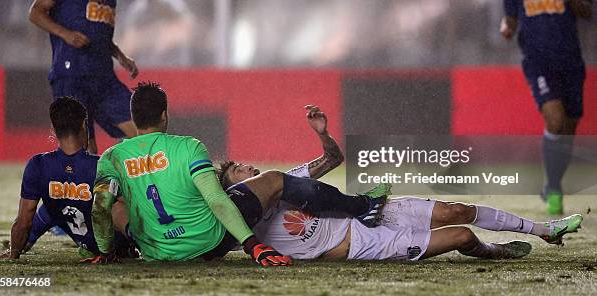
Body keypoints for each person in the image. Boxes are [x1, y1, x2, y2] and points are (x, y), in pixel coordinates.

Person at [219, 105, 584, 261]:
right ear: (229, 190)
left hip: (372, 212)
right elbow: (214, 245)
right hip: (362, 242)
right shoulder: (238, 221)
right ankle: (493, 251)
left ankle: (545, 229)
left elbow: (332, 160)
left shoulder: (280, 181)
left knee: (458, 209)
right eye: (236, 169)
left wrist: (324, 133)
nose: (246, 167)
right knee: (463, 237)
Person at [91, 83, 387, 264]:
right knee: (273, 178)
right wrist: (252, 245)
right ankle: (364, 206)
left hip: (156, 250)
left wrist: (106, 250)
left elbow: (100, 208)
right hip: (208, 241)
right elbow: (218, 200)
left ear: (133, 119)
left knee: (116, 201)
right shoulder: (187, 147)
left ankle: (127, 245)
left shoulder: (112, 158)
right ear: (165, 115)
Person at [500, 0, 593, 214]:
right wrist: (505, 28)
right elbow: (510, 20)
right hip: (538, 62)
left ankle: (553, 183)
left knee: (567, 128)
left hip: (571, 61)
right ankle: (554, 188)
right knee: (554, 121)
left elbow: (588, 12)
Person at [28, 0, 138, 155]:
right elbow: (36, 13)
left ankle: (126, 179)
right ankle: (97, 190)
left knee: (141, 129)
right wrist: (65, 34)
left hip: (103, 75)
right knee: (85, 150)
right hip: (71, 73)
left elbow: (100, 31)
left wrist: (120, 56)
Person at [0, 97, 132, 260]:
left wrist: (14, 253)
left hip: (80, 237)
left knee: (52, 206)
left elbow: (24, 222)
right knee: (120, 202)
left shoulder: (38, 165)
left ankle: (17, 249)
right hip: (116, 247)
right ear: (83, 127)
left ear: (53, 129)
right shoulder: (101, 165)